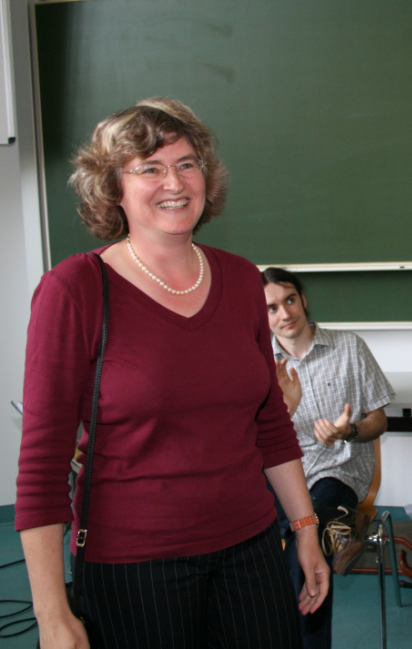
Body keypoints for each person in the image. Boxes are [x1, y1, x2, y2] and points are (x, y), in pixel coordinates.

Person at [15, 99, 330, 649]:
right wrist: (52, 615)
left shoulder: (241, 280)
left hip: (251, 549)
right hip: (132, 568)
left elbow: (270, 425)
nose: (175, 182)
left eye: (187, 164)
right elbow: (42, 463)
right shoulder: (75, 290)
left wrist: (305, 529)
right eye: (149, 168)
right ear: (112, 187)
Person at [263, 267, 395, 649]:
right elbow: (249, 437)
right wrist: (284, 410)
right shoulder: (257, 362)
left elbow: (379, 420)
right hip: (281, 474)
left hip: (338, 472)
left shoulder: (349, 346)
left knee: (307, 541)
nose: (285, 314)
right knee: (259, 529)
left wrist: (347, 431)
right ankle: (333, 525)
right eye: (271, 308)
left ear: (303, 299)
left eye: (290, 300)